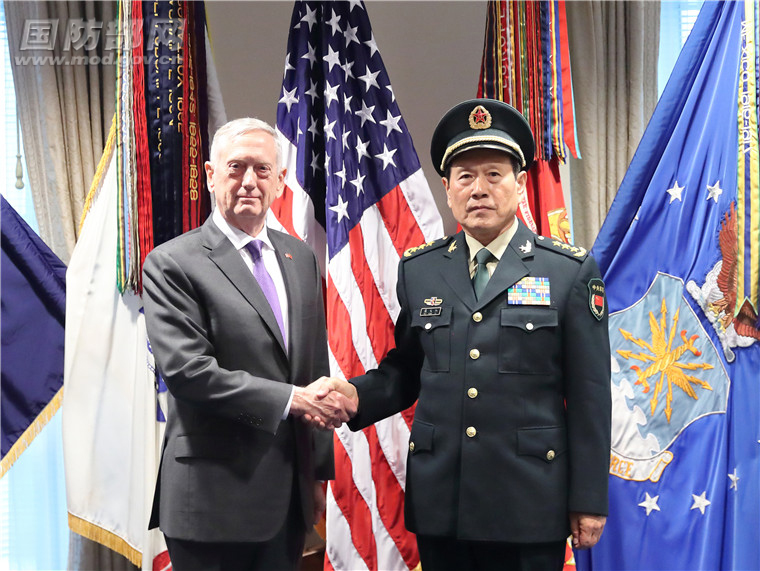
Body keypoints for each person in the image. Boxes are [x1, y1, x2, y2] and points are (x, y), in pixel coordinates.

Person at [321, 99, 611, 570]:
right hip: (444, 502)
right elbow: (408, 369)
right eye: (465, 177)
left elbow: (590, 395)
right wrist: (356, 395)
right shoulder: (421, 269)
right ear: (447, 188)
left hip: (529, 501)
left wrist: (589, 498)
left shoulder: (568, 272)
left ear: (519, 184)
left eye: (494, 175)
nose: (479, 189)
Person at [142, 117, 356, 570]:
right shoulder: (172, 263)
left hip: (288, 501)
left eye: (262, 169)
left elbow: (313, 369)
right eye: (236, 167)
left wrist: (317, 474)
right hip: (212, 503)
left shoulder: (299, 258)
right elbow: (189, 373)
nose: (248, 182)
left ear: (280, 180)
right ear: (210, 175)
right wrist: (293, 400)